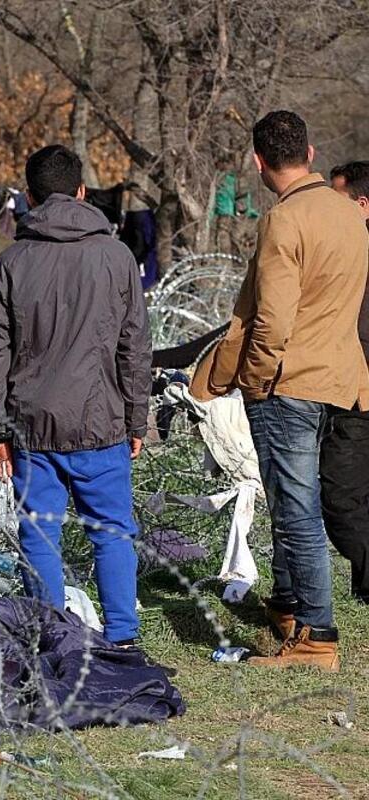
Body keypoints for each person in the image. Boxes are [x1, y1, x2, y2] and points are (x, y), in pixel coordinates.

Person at [191, 111, 369, 671]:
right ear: (311, 153)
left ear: (258, 161)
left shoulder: (284, 220)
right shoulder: (351, 216)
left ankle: (316, 637)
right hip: (338, 377)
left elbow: (272, 317)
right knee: (298, 498)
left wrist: (257, 376)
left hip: (287, 380)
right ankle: (290, 607)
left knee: (295, 509)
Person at [0, 144, 152, 646]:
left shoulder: (12, 262)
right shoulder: (117, 257)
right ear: (82, 192)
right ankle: (122, 639)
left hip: (32, 429)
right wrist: (139, 420)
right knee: (112, 532)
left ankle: (51, 639)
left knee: (39, 537)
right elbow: (134, 345)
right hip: (102, 422)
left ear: (29, 197)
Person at [320, 162, 369, 602]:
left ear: (362, 205)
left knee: (339, 499)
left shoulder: (356, 257)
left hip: (357, 396)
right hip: (352, 391)